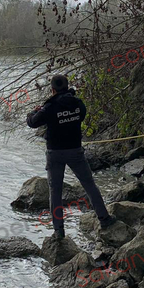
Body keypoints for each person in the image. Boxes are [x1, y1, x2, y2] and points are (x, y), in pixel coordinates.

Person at [26, 75, 116, 239]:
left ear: (53, 89)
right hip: (75, 152)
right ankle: (104, 218)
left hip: (55, 154)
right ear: (67, 87)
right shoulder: (78, 103)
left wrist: (34, 111)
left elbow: (32, 122)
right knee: (89, 185)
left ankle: (59, 231)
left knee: (55, 192)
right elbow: (81, 116)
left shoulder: (49, 107)